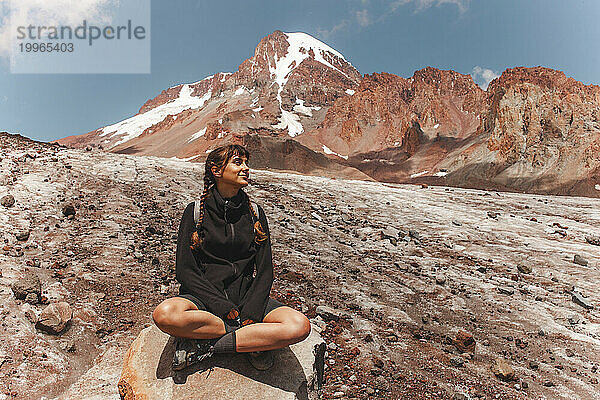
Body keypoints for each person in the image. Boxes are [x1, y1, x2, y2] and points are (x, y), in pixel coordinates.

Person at [152, 144, 311, 371]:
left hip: (247, 299)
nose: (245, 168)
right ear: (216, 171)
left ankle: (209, 346)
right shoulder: (196, 212)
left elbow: (265, 270)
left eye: (246, 163)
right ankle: (252, 341)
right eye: (238, 162)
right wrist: (222, 306)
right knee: (165, 314)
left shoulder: (254, 212)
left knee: (299, 325)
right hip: (206, 299)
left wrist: (253, 309)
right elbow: (186, 270)